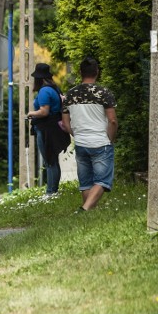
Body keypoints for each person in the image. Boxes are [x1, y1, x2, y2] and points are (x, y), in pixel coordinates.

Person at [61, 56, 118, 211]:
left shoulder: (70, 95)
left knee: (86, 183)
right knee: (103, 180)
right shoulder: (103, 93)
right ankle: (85, 210)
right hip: (101, 141)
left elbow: (66, 122)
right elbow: (112, 120)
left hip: (80, 143)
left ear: (80, 72)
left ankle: (89, 214)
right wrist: (110, 138)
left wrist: (75, 134)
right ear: (97, 72)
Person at [26, 62, 70, 195]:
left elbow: (44, 111)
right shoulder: (55, 88)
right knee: (53, 160)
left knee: (50, 161)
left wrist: (30, 113)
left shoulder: (44, 90)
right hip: (54, 128)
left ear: (38, 78)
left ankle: (51, 192)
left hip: (46, 129)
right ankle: (53, 191)